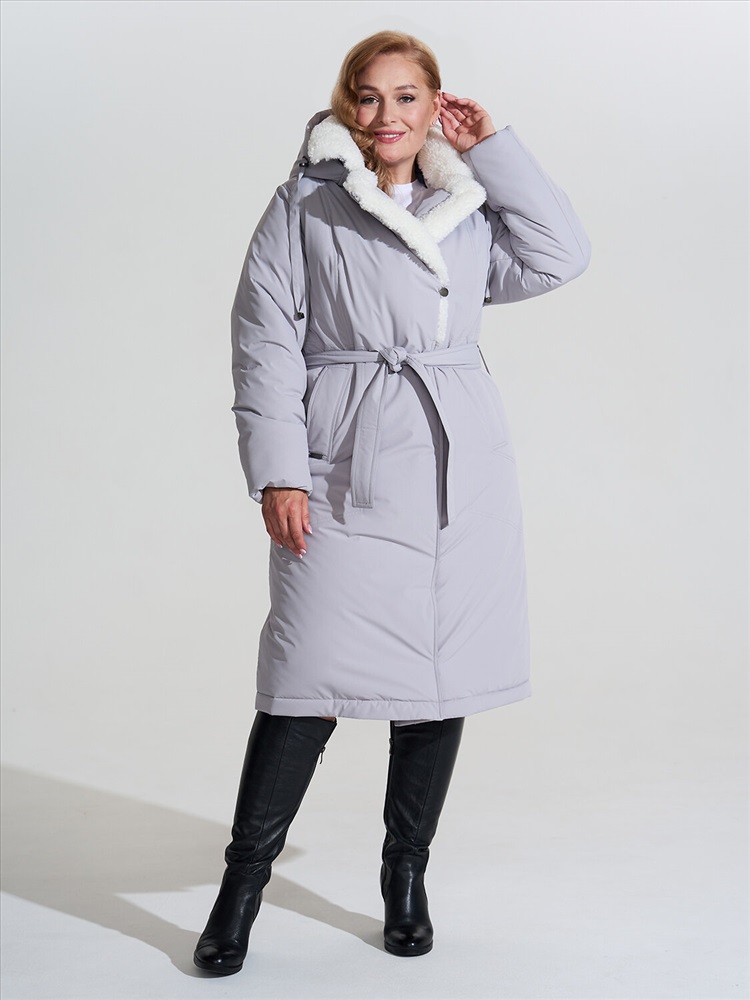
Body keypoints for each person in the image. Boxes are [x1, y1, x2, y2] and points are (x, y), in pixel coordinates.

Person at [194, 30, 590, 976]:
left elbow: (561, 255)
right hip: (344, 460)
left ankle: (404, 876)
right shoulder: (305, 203)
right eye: (368, 97)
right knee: (304, 680)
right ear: (347, 104)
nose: (387, 116)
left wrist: (494, 148)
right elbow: (263, 340)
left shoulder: (468, 206)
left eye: (407, 97)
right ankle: (241, 887)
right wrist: (280, 472)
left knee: (436, 681)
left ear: (434, 106)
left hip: (456, 467)